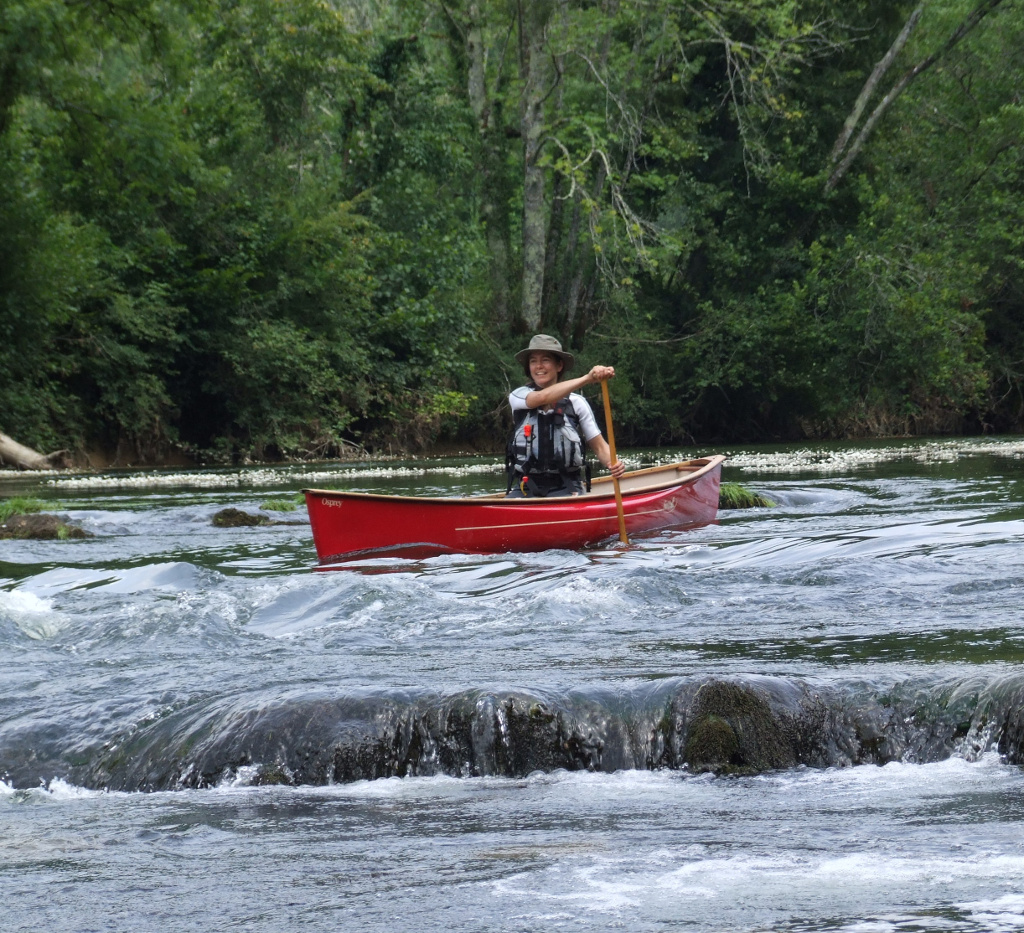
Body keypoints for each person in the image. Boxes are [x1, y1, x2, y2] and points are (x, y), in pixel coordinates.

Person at [506, 334, 627, 497]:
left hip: (567, 486)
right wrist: (587, 378)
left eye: (545, 360)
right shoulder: (518, 396)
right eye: (533, 361)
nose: (538, 366)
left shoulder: (577, 403)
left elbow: (599, 446)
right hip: (526, 486)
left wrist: (613, 463)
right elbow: (542, 398)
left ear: (559, 365)